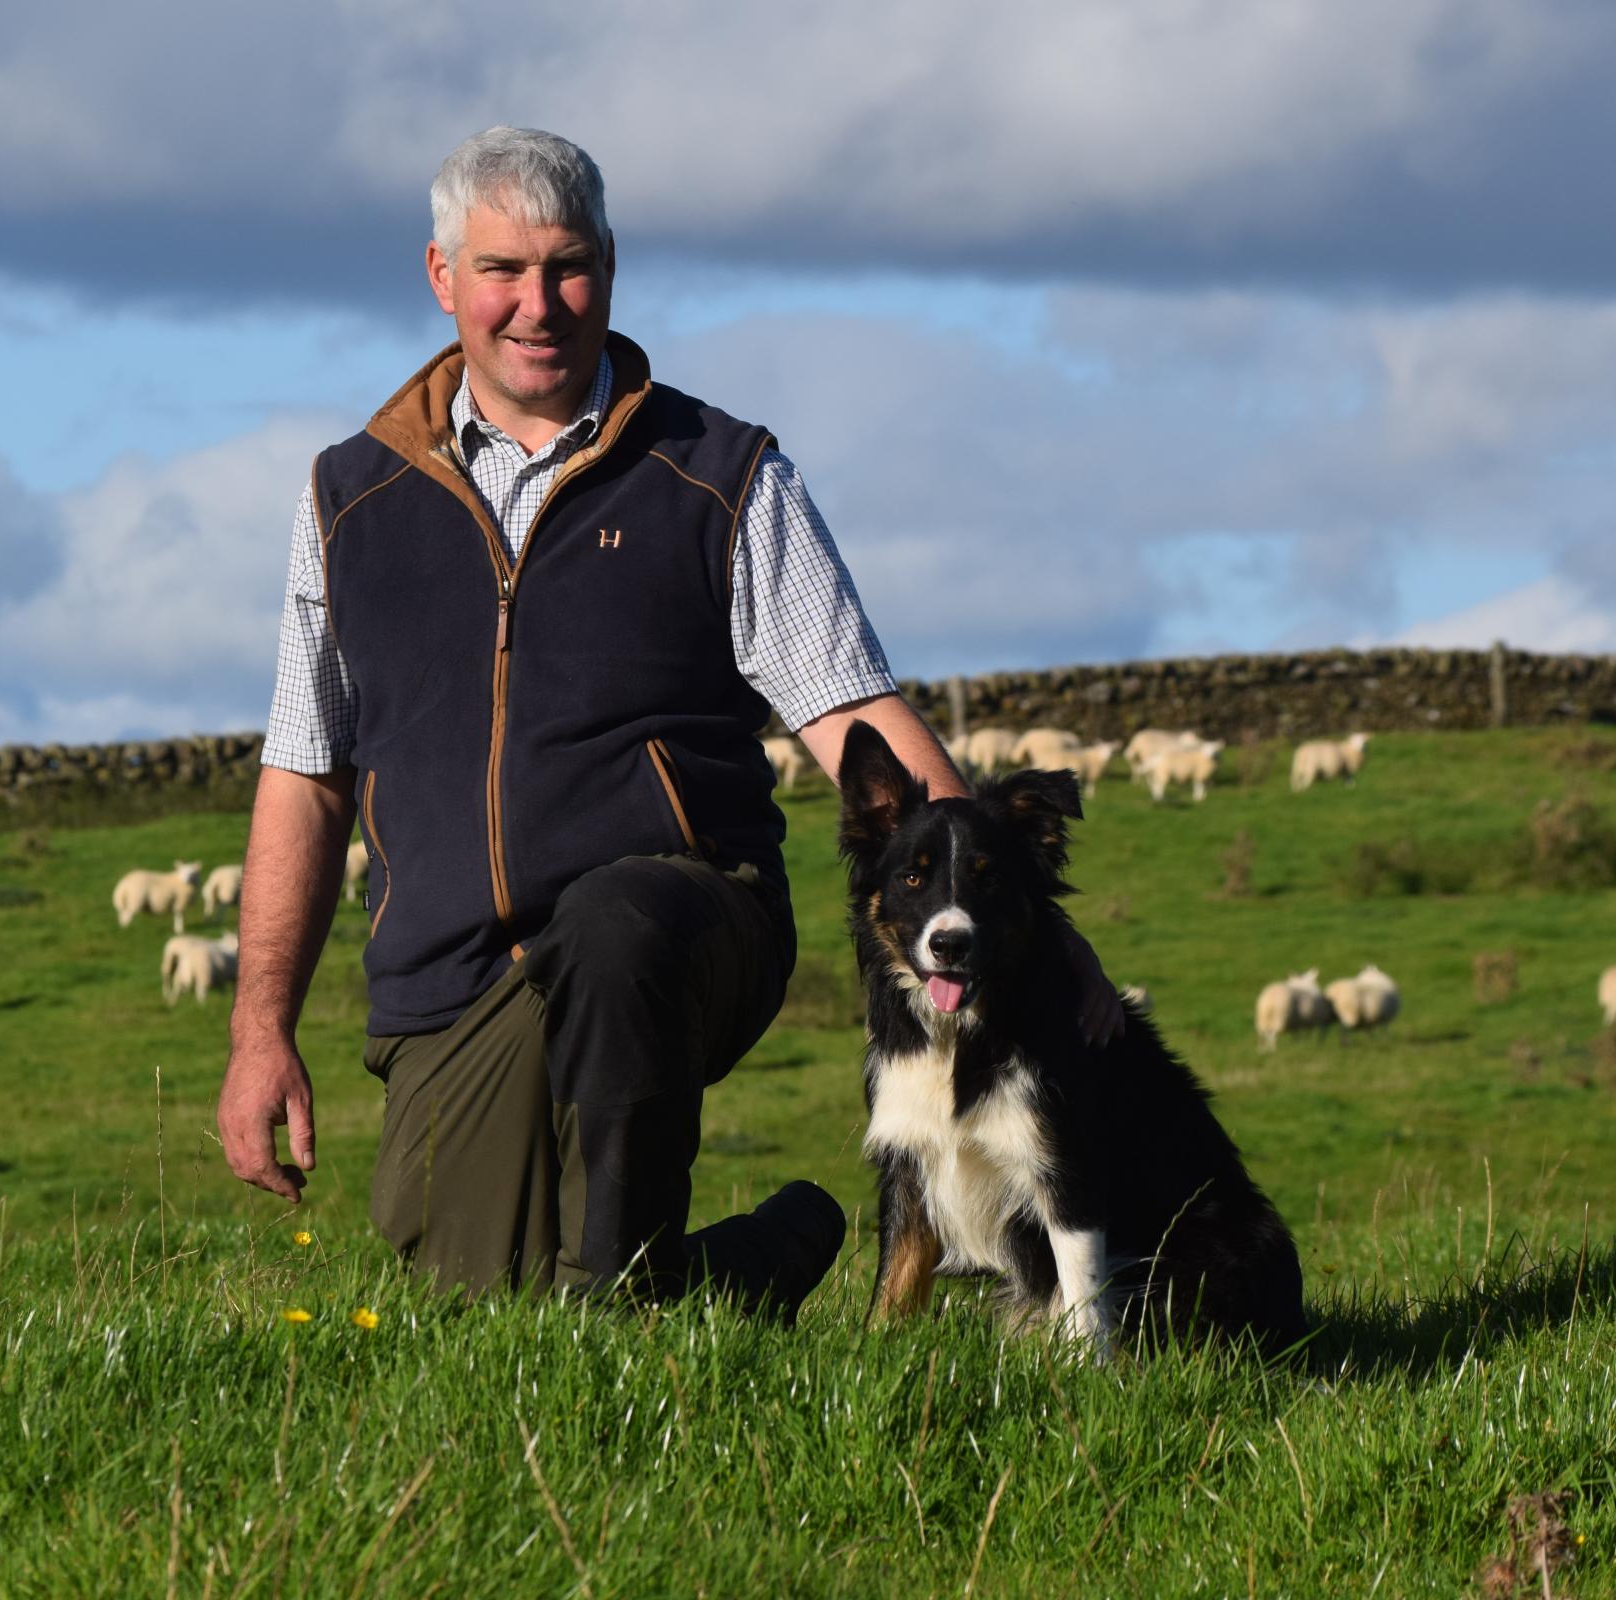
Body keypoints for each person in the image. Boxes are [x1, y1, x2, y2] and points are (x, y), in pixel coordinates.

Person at [216, 126, 1115, 1316]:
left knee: (615, 922)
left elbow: (854, 707)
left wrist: (1018, 939)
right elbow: (306, 771)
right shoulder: (349, 500)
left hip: (685, 921)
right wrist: (259, 1027)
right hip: (456, 984)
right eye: (502, 272)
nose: (538, 304)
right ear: (443, 279)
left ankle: (622, 1317)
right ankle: (751, 1262)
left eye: (570, 266)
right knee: (481, 1312)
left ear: (611, 269)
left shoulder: (719, 473)